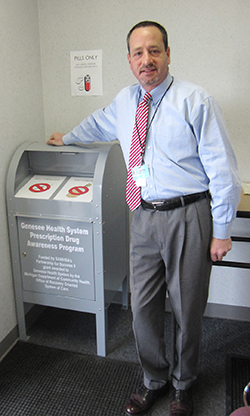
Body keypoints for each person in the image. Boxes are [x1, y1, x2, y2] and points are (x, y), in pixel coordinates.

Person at [47, 21, 241, 416]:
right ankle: (155, 379)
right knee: (144, 306)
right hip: (142, 216)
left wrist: (222, 230)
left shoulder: (195, 100)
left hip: (188, 214)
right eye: (138, 52)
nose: (146, 59)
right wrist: (66, 138)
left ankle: (185, 386)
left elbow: (223, 170)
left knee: (186, 308)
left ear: (168, 54)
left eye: (154, 50)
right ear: (130, 59)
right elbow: (97, 123)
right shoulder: (124, 101)